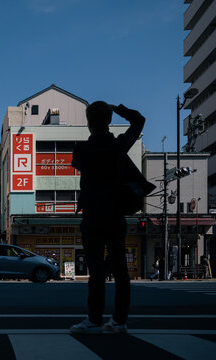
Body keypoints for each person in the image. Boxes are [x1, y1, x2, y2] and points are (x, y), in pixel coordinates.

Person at [70, 101, 145, 334]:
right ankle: (120, 320)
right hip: (115, 214)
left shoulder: (81, 150)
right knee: (121, 270)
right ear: (109, 121)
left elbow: (79, 165)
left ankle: (94, 319)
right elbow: (139, 120)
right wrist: (117, 107)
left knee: (96, 271)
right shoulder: (118, 146)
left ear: (89, 122)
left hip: (93, 216)